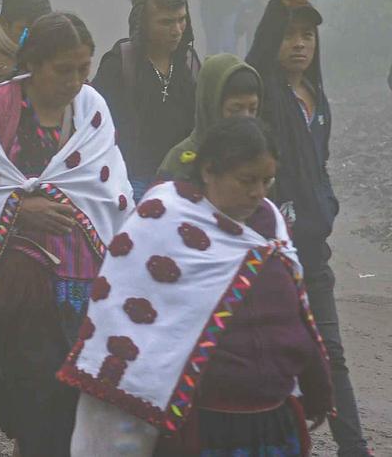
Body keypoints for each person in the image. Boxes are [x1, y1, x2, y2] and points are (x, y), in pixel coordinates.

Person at [63, 117, 333, 456]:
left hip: (274, 425)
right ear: (209, 171)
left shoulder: (269, 224)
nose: (258, 193)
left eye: (267, 180)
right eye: (247, 180)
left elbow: (294, 313)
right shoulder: (164, 220)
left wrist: (315, 383)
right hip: (203, 429)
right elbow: (127, 322)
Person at [0, 13, 134, 456]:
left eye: (83, 69)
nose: (75, 80)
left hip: (85, 286)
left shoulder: (92, 108)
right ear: (33, 63)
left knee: (78, 402)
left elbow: (110, 192)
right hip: (21, 290)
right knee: (33, 403)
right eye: (63, 69)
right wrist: (19, 208)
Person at [245, 0, 371, 455]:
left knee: (329, 353)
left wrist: (327, 203)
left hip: (313, 251)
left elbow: (319, 163)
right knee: (267, 351)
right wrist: (278, 8)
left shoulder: (317, 98)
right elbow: (256, 58)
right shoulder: (268, 95)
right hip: (273, 250)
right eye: (290, 35)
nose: (299, 44)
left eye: (307, 36)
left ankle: (354, 446)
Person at [93, 0, 199, 200]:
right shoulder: (119, 64)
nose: (177, 30)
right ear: (143, 23)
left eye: (182, 20)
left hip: (180, 179)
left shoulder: (189, 63)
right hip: (131, 182)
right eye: (166, 22)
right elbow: (97, 127)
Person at [157, 54, 261, 182]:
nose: (246, 119)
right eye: (235, 110)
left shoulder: (259, 158)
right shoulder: (181, 161)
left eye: (252, 109)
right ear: (210, 107)